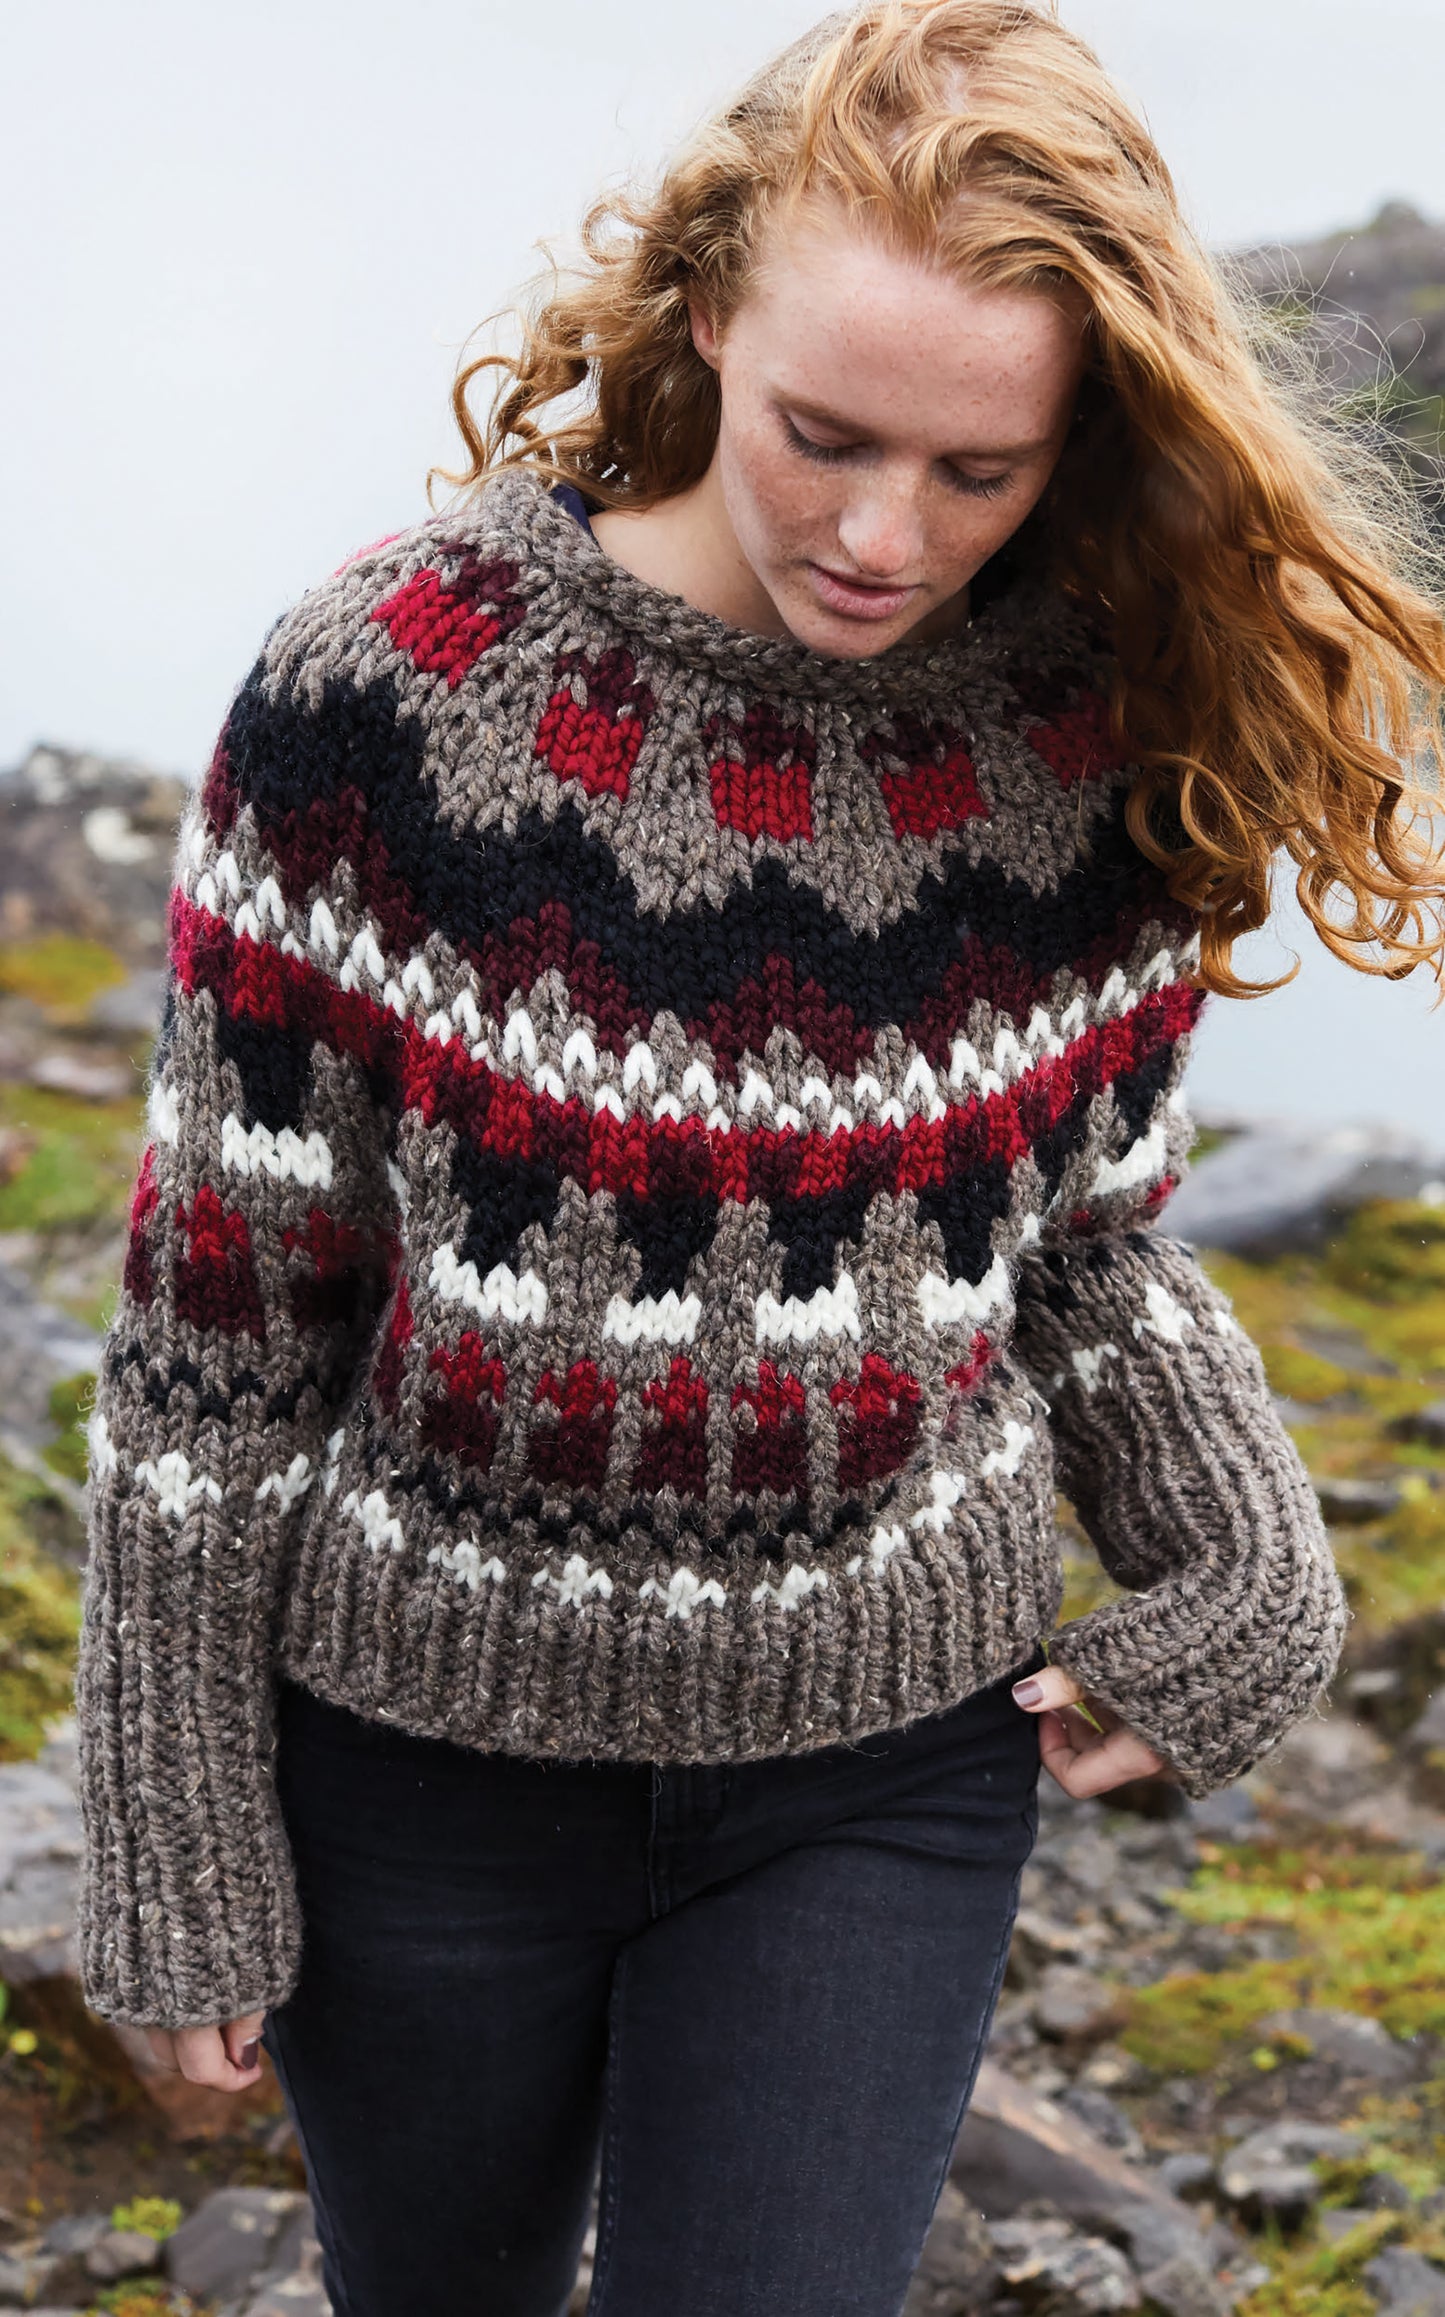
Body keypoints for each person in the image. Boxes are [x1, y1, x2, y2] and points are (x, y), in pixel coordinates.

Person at [74, 5, 1443, 2314]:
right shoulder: (386, 693)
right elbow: (226, 1324)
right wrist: (179, 1824)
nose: (887, 533)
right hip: (420, 1777)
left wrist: (1248, 1565)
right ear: (709, 310)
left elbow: (1085, 1243)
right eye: (826, 435)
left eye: (982, 470)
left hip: (879, 1773)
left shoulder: (1091, 731)